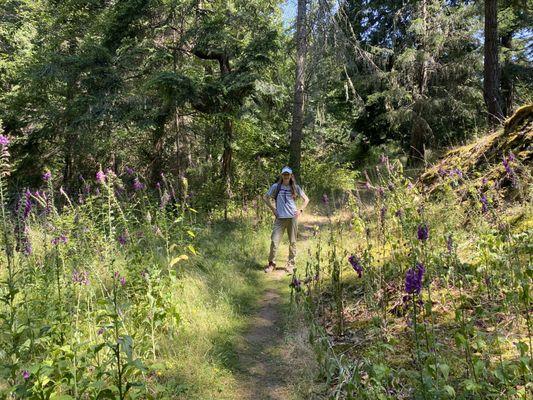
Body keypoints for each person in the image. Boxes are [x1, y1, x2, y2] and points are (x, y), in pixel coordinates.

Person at [263, 166, 309, 272]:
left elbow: (306, 199)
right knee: (274, 241)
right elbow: (265, 197)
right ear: (282, 175)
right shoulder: (276, 186)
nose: (286, 176)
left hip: (292, 218)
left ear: (291, 175)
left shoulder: (295, 187)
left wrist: (300, 210)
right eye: (284, 174)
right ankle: (271, 264)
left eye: (288, 174)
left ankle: (291, 264)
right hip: (280, 219)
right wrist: (273, 209)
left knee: (292, 242)